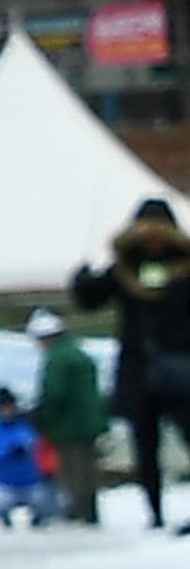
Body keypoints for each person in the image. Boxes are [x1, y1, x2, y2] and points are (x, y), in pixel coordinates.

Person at [71, 196, 190, 529]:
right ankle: (155, 513)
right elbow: (92, 298)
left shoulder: (182, 268)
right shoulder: (125, 269)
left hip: (180, 368)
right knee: (145, 447)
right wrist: (82, 282)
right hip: (142, 373)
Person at [26, 305, 108, 529]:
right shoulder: (77, 352)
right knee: (87, 470)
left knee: (73, 472)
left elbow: (55, 394)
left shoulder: (56, 359)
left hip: (69, 426)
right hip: (89, 423)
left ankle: (79, 513)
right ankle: (89, 512)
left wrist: (41, 416)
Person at [0, 384, 52, 527]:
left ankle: (39, 519)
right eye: (4, 407)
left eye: (11, 406)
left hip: (32, 483)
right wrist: (6, 453)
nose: (8, 411)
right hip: (3, 484)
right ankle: (4, 519)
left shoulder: (27, 427)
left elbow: (44, 451)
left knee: (46, 500)